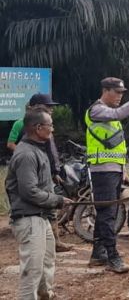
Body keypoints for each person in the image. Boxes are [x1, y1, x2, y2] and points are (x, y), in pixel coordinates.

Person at [6, 108, 72, 300]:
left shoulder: (37, 149)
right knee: (32, 272)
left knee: (46, 263)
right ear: (38, 127)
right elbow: (29, 191)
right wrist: (57, 201)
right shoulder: (26, 154)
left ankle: (46, 296)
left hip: (41, 217)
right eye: (50, 124)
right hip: (29, 219)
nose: (53, 128)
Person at [85, 76, 129, 273]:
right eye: (117, 92)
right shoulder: (97, 110)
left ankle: (98, 254)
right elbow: (119, 113)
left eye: (122, 93)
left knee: (107, 212)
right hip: (102, 171)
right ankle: (113, 257)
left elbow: (117, 146)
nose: (120, 96)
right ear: (106, 91)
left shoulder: (109, 115)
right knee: (107, 214)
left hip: (113, 169)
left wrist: (123, 170)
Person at [7, 94, 73, 252]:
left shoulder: (45, 129)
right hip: (31, 171)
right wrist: (28, 159)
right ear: (35, 107)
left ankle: (55, 241)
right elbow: (10, 144)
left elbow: (51, 152)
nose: (51, 110)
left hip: (45, 169)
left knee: (51, 211)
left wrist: (54, 170)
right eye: (47, 106)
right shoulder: (23, 128)